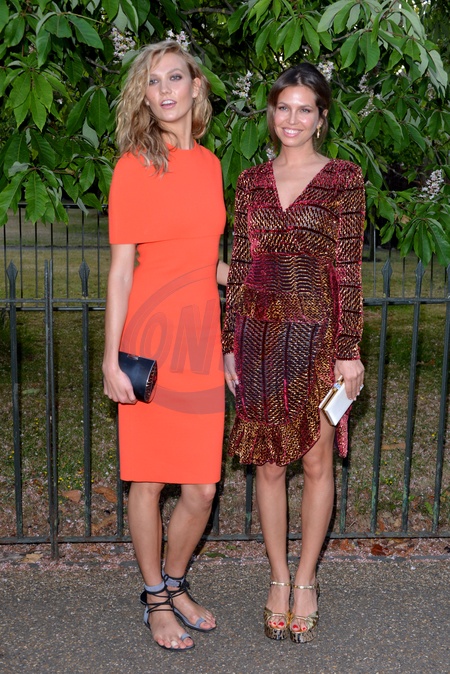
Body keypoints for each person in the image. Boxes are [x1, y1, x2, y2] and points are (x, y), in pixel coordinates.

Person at [222, 63, 365, 644]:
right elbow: (239, 265)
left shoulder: (343, 179)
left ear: (321, 118)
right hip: (256, 338)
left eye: (305, 109)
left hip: (319, 339)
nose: (292, 119)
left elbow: (347, 271)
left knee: (316, 462)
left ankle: (306, 580)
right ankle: (277, 578)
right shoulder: (250, 182)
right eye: (283, 107)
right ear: (270, 113)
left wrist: (349, 352)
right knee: (269, 463)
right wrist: (229, 344)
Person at [102, 40, 228, 652]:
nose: (165, 90)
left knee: (202, 487)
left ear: (196, 86)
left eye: (174, 78)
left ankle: (176, 583)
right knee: (148, 482)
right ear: (145, 97)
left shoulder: (211, 165)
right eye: (153, 82)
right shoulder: (133, 167)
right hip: (149, 340)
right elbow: (122, 271)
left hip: (200, 341)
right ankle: (155, 597)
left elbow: (203, 257)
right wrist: (110, 357)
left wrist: (248, 277)